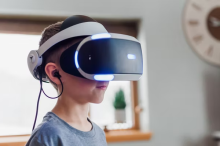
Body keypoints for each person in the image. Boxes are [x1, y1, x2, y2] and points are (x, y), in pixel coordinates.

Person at [26, 16, 109, 146]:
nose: (105, 74)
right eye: (91, 62)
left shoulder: (99, 133)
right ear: (55, 73)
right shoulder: (48, 136)